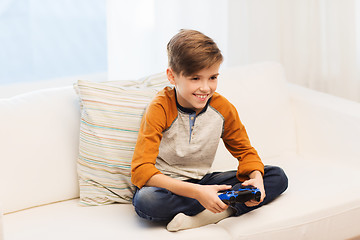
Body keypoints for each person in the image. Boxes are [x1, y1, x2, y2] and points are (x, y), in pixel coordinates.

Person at [131, 29, 288, 232]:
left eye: (212, 77)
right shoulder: (160, 107)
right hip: (167, 186)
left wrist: (256, 177)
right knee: (147, 200)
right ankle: (219, 203)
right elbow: (141, 170)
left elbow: (246, 152)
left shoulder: (222, 108)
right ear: (172, 76)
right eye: (195, 78)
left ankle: (215, 211)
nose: (205, 88)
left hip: (204, 181)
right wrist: (198, 192)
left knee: (276, 176)